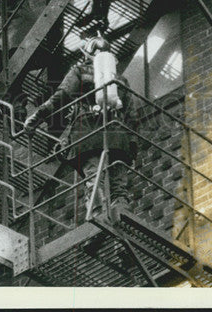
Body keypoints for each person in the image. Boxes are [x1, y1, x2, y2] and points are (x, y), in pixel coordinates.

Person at [24, 36, 137, 218]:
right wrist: (132, 146)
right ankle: (122, 214)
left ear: (87, 54)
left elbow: (61, 97)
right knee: (118, 186)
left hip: (88, 135)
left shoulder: (80, 71)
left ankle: (97, 216)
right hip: (118, 137)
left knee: (94, 178)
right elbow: (131, 116)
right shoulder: (120, 80)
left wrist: (37, 117)